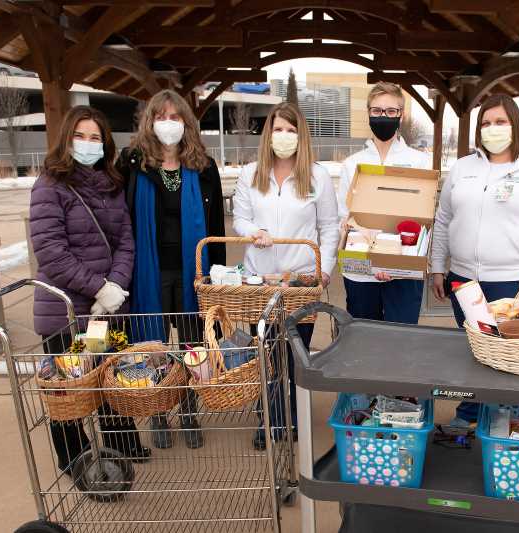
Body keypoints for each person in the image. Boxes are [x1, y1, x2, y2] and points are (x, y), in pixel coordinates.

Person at [430, 94, 519, 426]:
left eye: (500, 122)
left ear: (515, 125)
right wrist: (438, 267)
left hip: (516, 281)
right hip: (464, 280)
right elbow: (444, 218)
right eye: (486, 123)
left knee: (512, 354)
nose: (493, 129)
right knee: (476, 351)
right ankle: (470, 412)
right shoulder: (464, 169)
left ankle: (509, 420)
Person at [29, 105, 149, 474]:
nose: (87, 143)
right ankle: (75, 457)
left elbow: (126, 242)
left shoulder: (111, 184)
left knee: (106, 373)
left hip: (102, 314)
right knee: (70, 387)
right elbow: (50, 252)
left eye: (95, 137)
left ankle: (120, 441)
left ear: (105, 144)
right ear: (66, 139)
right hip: (67, 311)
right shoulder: (50, 185)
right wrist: (100, 288)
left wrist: (116, 284)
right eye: (79, 136)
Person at [117, 89, 226, 450]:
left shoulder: (204, 167)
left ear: (186, 123)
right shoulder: (134, 164)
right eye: (160, 116)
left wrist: (217, 277)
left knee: (193, 345)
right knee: (154, 346)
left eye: (175, 117)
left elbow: (215, 227)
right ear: (150, 122)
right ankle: (159, 412)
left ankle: (190, 412)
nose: (168, 123)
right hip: (150, 271)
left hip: (193, 271)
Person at [233, 102, 338, 449]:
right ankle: (268, 419)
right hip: (260, 279)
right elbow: (240, 218)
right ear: (268, 134)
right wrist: (254, 231)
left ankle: (290, 418)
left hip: (300, 281)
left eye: (291, 130)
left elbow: (329, 227)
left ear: (301, 135)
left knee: (296, 353)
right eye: (278, 129)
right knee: (265, 351)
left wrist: (325, 270)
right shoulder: (250, 174)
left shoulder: (317, 176)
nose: (284, 136)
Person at [336, 81, 431, 324]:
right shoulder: (352, 164)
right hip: (361, 273)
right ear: (368, 113)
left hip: (404, 270)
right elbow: (345, 217)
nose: (383, 116)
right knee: (364, 342)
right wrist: (373, 255)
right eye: (377, 111)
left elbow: (424, 220)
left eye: (391, 111)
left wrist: (393, 259)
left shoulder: (419, 162)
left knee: (402, 342)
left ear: (401, 114)